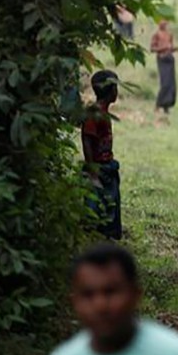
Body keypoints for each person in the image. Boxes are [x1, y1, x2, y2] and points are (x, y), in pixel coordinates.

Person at [46, 244, 178, 355]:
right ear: (74, 301)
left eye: (111, 292)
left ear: (135, 295)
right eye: (88, 295)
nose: (100, 305)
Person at [82, 70, 122, 239]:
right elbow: (87, 140)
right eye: (115, 87)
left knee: (111, 202)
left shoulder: (103, 113)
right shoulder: (94, 114)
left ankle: (108, 236)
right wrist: (92, 170)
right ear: (111, 90)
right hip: (99, 168)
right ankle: (97, 236)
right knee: (98, 204)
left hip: (108, 166)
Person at [150, 20, 178, 116]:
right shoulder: (156, 35)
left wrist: (173, 49)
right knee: (165, 83)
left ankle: (167, 106)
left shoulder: (169, 34)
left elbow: (170, 46)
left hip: (170, 59)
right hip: (162, 59)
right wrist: (163, 48)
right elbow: (152, 48)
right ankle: (158, 104)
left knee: (171, 84)